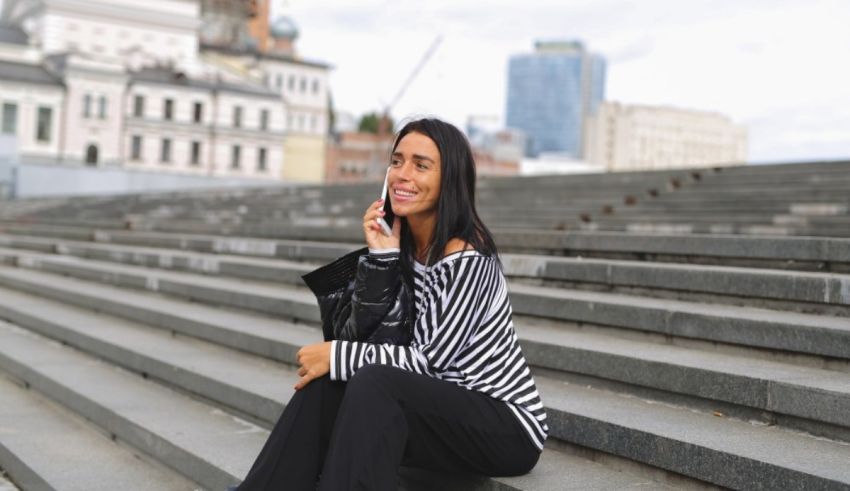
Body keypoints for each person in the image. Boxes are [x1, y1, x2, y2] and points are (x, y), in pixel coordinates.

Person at [234, 118, 548, 490]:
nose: (403, 174)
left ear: (450, 180)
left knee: (362, 376)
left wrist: (337, 356)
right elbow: (370, 342)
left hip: (504, 425)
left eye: (421, 165)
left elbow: (429, 363)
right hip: (432, 412)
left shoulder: (468, 259)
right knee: (326, 385)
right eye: (397, 161)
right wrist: (381, 260)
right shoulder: (404, 248)